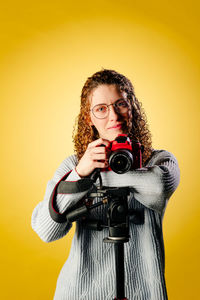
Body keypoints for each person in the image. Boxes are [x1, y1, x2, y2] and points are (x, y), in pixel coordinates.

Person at [31, 69, 180, 300]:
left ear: (133, 108)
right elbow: (46, 230)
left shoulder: (158, 160)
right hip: (81, 292)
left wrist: (94, 177)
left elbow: (158, 188)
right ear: (88, 118)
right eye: (101, 109)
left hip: (144, 292)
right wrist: (81, 172)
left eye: (120, 104)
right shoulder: (76, 165)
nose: (114, 116)